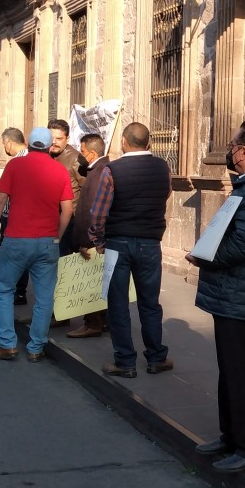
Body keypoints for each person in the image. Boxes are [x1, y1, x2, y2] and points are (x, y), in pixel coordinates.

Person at [186, 119, 245, 474]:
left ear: (243, 152)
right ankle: (232, 437)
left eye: (231, 146)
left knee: (240, 371)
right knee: (230, 369)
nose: (229, 151)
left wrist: (203, 257)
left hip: (239, 292)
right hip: (233, 291)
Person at [89, 122, 172, 378]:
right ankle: (156, 358)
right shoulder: (162, 167)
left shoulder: (113, 170)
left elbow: (98, 212)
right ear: (149, 143)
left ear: (124, 142)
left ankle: (125, 361)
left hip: (118, 243)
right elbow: (165, 196)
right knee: (150, 303)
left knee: (118, 303)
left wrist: (98, 240)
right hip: (150, 243)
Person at [0, 127, 73, 363]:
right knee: (44, 297)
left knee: (4, 291)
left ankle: (7, 344)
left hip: (17, 239)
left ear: (30, 144)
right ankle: (35, 347)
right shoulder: (60, 170)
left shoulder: (15, 166)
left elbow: (0, 199)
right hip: (47, 242)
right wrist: (58, 236)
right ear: (49, 146)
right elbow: (67, 209)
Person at [67, 133, 110, 338]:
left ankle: (93, 323)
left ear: (92, 153)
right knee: (98, 281)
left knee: (91, 283)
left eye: (83, 152)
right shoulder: (98, 170)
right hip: (94, 239)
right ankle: (100, 321)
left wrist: (86, 241)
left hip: (91, 240)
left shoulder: (99, 172)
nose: (81, 156)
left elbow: (94, 211)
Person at [0, 127, 29, 306]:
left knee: (10, 255)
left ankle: (11, 291)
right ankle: (16, 291)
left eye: (4, 144)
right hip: (25, 217)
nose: (4, 147)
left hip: (14, 217)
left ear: (9, 142)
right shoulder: (35, 157)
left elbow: (2, 196)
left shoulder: (16, 162)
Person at [48, 119, 85, 256]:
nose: (54, 142)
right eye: (52, 138)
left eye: (59, 138)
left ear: (67, 138)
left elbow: (85, 191)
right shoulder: (47, 155)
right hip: (49, 222)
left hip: (69, 223)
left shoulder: (76, 159)